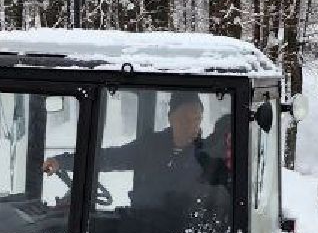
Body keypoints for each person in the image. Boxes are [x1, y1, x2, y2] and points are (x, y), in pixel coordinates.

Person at [44, 91, 228, 214]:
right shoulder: (149, 147)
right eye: (185, 119)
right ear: (171, 117)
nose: (192, 125)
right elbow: (108, 158)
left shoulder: (206, 155)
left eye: (197, 119)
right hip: (140, 225)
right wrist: (62, 161)